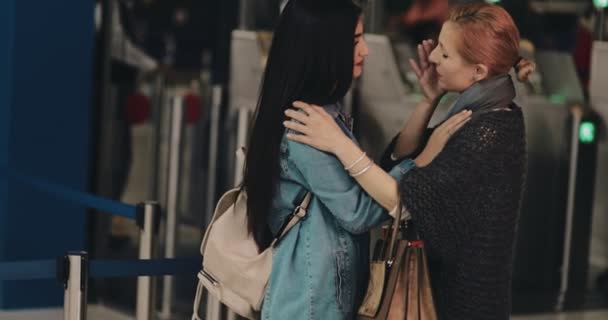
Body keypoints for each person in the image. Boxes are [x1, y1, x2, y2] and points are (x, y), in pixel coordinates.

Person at [283, 3, 535, 319]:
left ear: (479, 72)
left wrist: (339, 144)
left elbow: (405, 200)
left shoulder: (489, 130)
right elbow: (403, 162)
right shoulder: (481, 113)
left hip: (461, 303)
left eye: (444, 54)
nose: (432, 58)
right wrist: (430, 99)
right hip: (444, 295)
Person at [240, 0, 465, 318]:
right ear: (324, 48)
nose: (366, 51)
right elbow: (360, 211)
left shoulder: (325, 112)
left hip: (324, 298)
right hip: (311, 305)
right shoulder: (304, 124)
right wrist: (423, 159)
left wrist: (428, 102)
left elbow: (368, 179)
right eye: (355, 41)